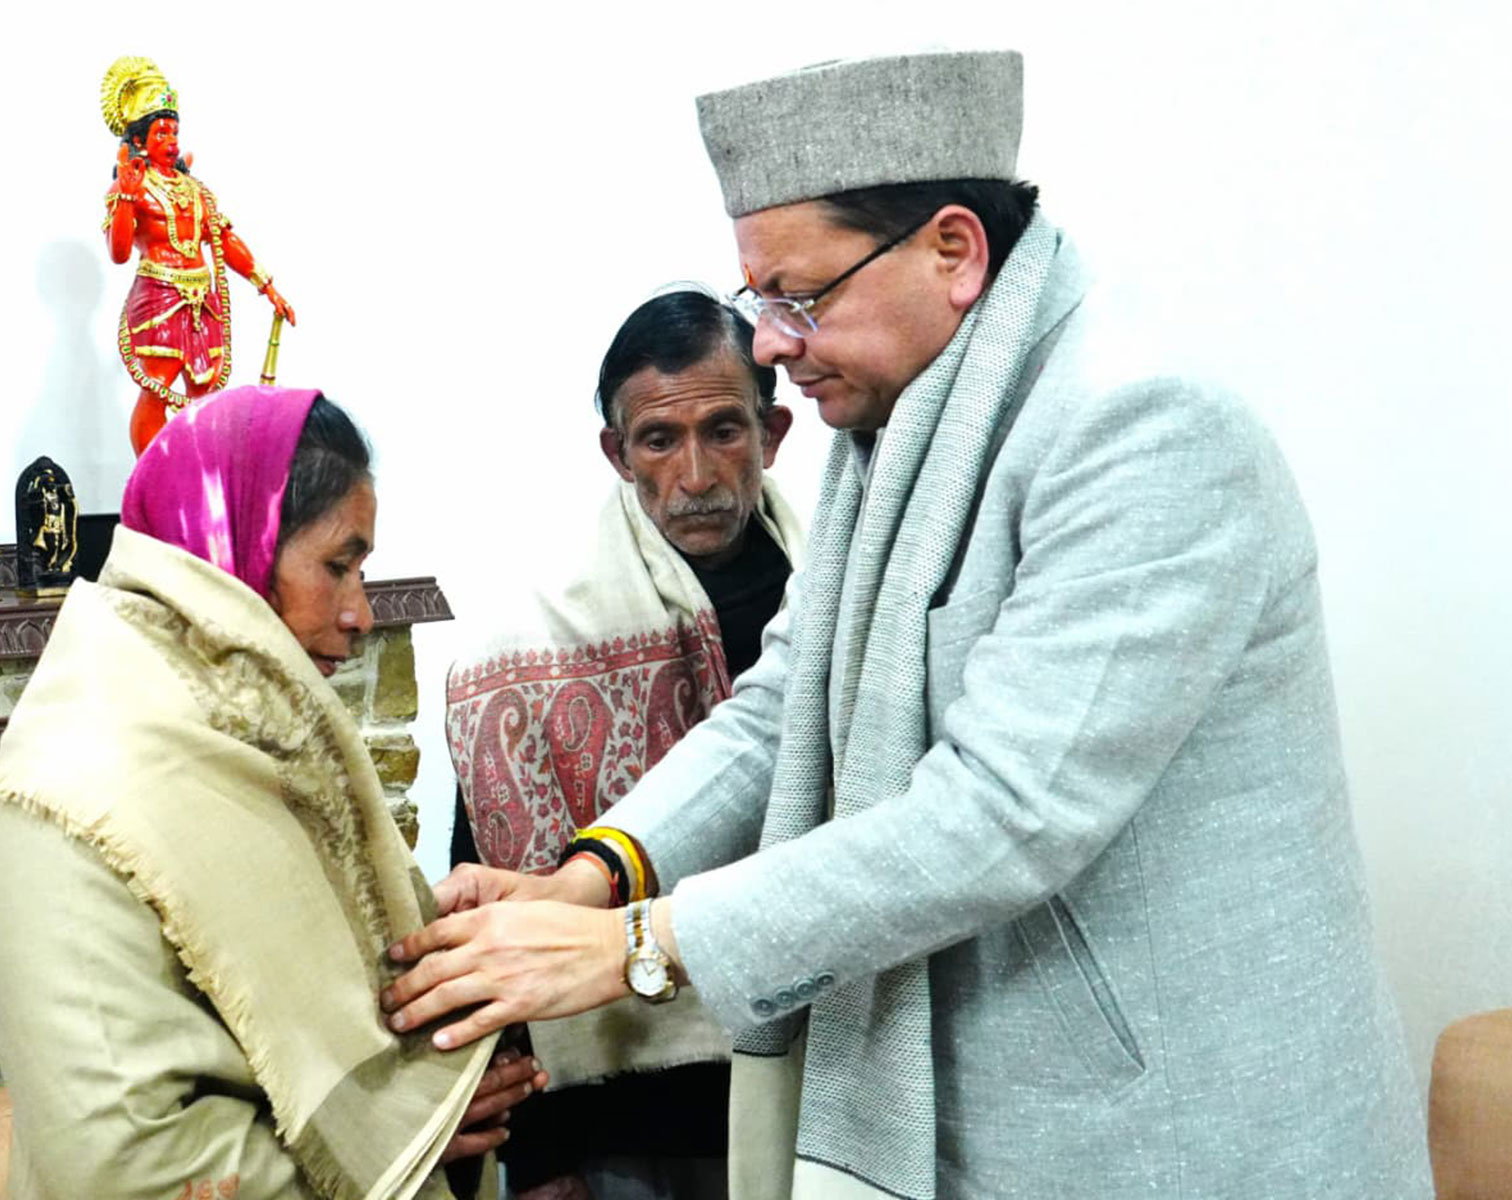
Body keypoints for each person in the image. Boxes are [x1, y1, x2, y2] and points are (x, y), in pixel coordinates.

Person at [382, 51, 1433, 1199]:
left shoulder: (1140, 425)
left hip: (1181, 1132)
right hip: (996, 1107)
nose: (772, 343)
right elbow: (784, 705)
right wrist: (587, 880)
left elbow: (1000, 813)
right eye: (759, 303)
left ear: (952, 252)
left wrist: (641, 948)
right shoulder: (889, 435)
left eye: (799, 296)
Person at [0, 387, 545, 1200]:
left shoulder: (264, 737)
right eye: (337, 565)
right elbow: (118, 1163)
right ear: (231, 544)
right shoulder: (64, 795)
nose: (360, 612)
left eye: (364, 569)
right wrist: (399, 1150)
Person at [444, 287, 802, 1199]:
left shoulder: (838, 606)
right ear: (617, 453)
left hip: (823, 1079)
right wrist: (541, 1155)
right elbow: (495, 907)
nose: (695, 474)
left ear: (775, 432)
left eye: (724, 430)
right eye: (659, 440)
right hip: (626, 1117)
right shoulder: (525, 658)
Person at [100, 57, 295, 456]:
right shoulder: (132, 188)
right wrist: (127, 196)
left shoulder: (195, 191)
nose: (171, 141)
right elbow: (119, 254)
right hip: (159, 296)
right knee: (158, 386)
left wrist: (267, 287)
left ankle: (200, 475)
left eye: (174, 131)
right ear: (138, 140)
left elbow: (223, 239)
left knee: (206, 392)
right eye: (160, 133)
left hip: (201, 301)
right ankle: (150, 479)